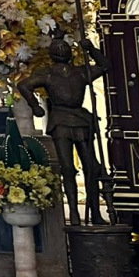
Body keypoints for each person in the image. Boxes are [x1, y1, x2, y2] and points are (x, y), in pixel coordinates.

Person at [20, 29, 110, 225]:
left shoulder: (79, 71)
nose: (61, 51)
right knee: (67, 168)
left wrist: (91, 49)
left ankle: (95, 212)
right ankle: (74, 213)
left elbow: (105, 67)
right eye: (58, 49)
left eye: (64, 48)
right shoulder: (48, 74)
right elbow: (24, 85)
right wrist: (35, 106)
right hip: (60, 120)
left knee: (91, 168)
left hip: (80, 119)